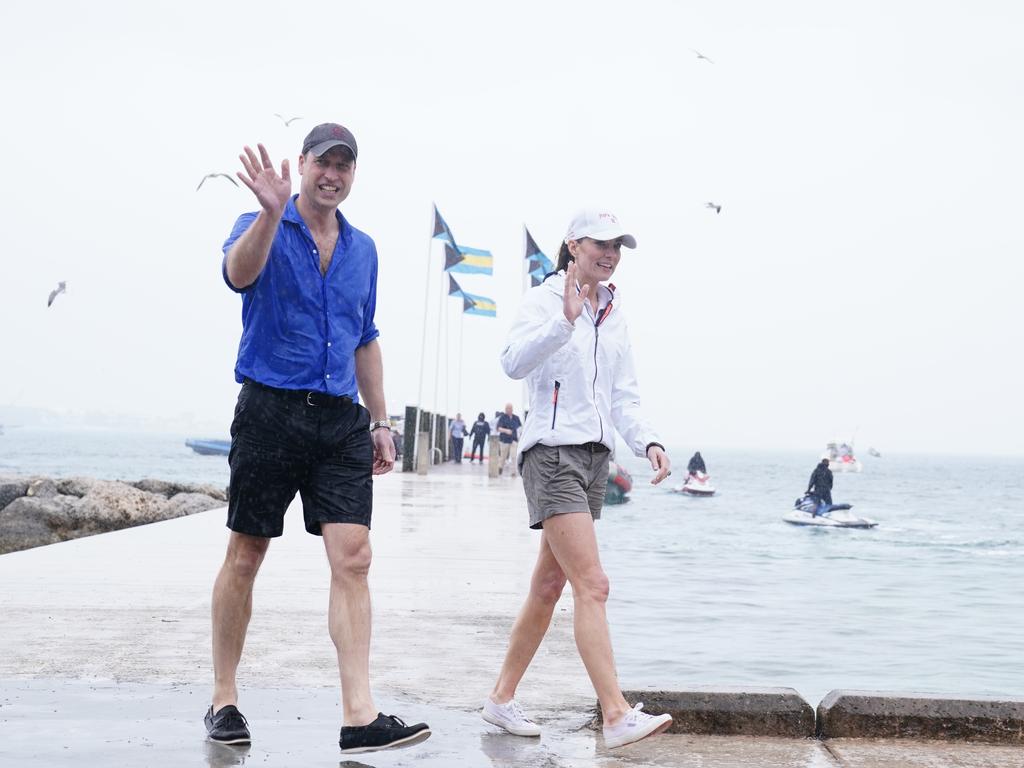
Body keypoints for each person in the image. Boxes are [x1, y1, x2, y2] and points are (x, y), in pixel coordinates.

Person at [207, 123, 430, 754]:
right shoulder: (262, 223)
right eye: (322, 162)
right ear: (301, 164)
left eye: (344, 165)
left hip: (340, 421)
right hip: (270, 410)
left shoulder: (364, 249)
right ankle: (224, 697)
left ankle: (359, 716)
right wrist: (270, 215)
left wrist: (381, 421)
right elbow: (238, 275)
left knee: (354, 557)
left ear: (353, 174)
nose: (332, 174)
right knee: (247, 551)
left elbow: (365, 337)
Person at [481, 208, 673, 749]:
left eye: (618, 247)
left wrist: (648, 443)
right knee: (594, 583)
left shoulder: (615, 315)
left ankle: (499, 700)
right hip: (551, 456)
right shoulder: (543, 301)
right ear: (572, 245)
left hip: (594, 461)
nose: (609, 255)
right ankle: (615, 716)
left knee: (549, 586)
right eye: (600, 244)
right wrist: (564, 321)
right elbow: (513, 362)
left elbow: (623, 396)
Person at [495, 403, 522, 476]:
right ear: (505, 409)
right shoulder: (502, 417)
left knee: (514, 456)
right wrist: (506, 431)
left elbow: (520, 428)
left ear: (512, 409)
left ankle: (513, 472)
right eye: (507, 408)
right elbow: (498, 428)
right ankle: (500, 468)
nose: (508, 410)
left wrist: (520, 436)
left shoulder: (516, 418)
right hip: (504, 440)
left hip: (514, 439)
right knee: (503, 456)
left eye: (510, 408)